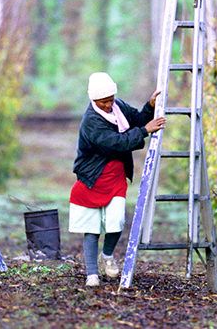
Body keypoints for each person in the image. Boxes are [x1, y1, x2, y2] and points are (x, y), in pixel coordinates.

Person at [69, 72, 166, 286]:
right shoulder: (91, 122)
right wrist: (143, 131)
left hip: (115, 176)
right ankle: (92, 274)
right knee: (92, 227)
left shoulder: (118, 106)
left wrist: (149, 106)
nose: (108, 105)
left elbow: (138, 119)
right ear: (93, 100)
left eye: (110, 100)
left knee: (117, 220)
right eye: (103, 102)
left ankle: (108, 255)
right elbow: (117, 143)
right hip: (92, 177)